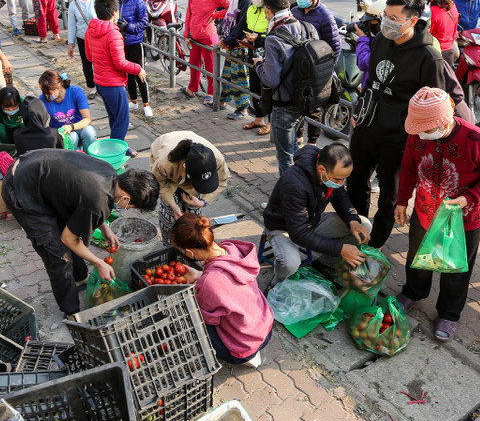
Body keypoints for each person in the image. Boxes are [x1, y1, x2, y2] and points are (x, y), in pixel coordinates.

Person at [395, 87, 480, 341]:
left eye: (428, 129)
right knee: (417, 256)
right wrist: (402, 201)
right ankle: (413, 292)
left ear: (445, 120)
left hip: (463, 219)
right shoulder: (417, 135)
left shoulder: (477, 141)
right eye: (419, 130)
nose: (423, 135)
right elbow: (408, 168)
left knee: (455, 270)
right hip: (425, 212)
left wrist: (469, 198)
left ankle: (449, 313)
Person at [1, 149, 159, 318]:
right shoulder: (96, 200)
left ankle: (80, 278)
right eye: (131, 207)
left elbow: (84, 202)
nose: (126, 209)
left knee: (69, 225)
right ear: (126, 198)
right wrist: (99, 262)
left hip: (34, 168)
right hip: (20, 188)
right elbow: (69, 239)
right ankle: (71, 312)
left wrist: (105, 228)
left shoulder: (110, 174)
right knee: (58, 255)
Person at [345, 0, 444, 248]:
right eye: (386, 15)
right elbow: (372, 83)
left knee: (390, 195)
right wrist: (360, 112)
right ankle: (356, 230)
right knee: (355, 181)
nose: (387, 22)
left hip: (400, 139)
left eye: (394, 18)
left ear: (412, 20)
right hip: (367, 128)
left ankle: (375, 243)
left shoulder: (428, 57)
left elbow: (435, 105)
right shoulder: (380, 40)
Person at [169, 213, 273, 367]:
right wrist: (201, 274)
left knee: (192, 317)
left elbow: (209, 319)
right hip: (264, 328)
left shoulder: (210, 283)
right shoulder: (232, 249)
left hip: (243, 347)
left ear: (189, 253)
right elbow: (226, 284)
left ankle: (245, 358)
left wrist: (200, 287)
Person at [262, 143, 370, 282]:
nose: (341, 182)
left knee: (364, 226)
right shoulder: (294, 184)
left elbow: (340, 196)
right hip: (283, 228)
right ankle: (278, 283)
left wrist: (353, 220)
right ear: (321, 169)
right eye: (338, 179)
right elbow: (298, 234)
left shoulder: (328, 173)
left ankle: (324, 265)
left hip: (310, 221)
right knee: (290, 263)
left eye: (344, 178)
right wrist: (340, 249)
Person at [253, 0, 319, 175]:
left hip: (284, 105)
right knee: (293, 151)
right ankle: (302, 184)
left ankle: (289, 197)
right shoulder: (307, 27)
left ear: (267, 9)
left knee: (285, 157)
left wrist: (258, 65)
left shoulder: (273, 38)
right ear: (288, 5)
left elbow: (271, 79)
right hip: (305, 100)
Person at [84, 0, 145, 146]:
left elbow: (89, 57)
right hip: (113, 84)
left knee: (114, 118)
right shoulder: (113, 33)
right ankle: (115, 153)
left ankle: (121, 148)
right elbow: (120, 63)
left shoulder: (90, 30)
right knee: (122, 120)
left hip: (100, 82)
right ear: (115, 12)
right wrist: (138, 69)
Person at [150, 131, 230, 240]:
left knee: (194, 216)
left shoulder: (217, 159)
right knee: (170, 215)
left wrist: (203, 202)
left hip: (190, 166)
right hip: (169, 155)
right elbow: (161, 184)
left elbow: (223, 180)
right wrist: (174, 206)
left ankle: (191, 241)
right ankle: (170, 244)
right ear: (184, 166)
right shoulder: (165, 163)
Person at [291, 0, 342, 144]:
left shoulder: (325, 15)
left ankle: (312, 142)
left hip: (316, 70)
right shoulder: (295, 12)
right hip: (298, 67)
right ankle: (298, 136)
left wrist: (325, 72)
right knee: (297, 103)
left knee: (314, 108)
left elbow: (335, 46)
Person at [183, 0, 229, 104]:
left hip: (208, 37)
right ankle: (192, 88)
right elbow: (189, 13)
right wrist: (186, 33)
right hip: (194, 36)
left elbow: (230, 6)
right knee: (193, 63)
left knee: (210, 68)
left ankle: (211, 93)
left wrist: (215, 16)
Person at [112, 0, 151, 117]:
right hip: (120, 44)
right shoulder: (113, 1)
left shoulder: (136, 1)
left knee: (139, 74)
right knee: (127, 74)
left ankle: (146, 103)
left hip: (135, 42)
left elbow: (144, 22)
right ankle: (133, 101)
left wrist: (129, 27)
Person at [219, 0, 256, 118]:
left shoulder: (247, 1)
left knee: (240, 79)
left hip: (240, 45)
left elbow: (240, 26)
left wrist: (226, 40)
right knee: (227, 75)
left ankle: (242, 109)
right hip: (232, 44)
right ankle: (222, 101)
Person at [243, 0, 278, 135]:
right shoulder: (251, 9)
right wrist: (246, 38)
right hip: (253, 52)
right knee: (254, 86)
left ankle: (271, 122)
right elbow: (245, 27)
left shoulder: (272, 12)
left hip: (268, 54)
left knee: (268, 89)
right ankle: (258, 118)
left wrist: (257, 38)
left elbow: (275, 38)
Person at [39, 70, 97, 152]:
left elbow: (87, 119)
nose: (48, 96)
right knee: (72, 136)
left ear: (59, 86)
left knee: (89, 131)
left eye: (50, 93)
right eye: (46, 94)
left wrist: (71, 127)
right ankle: (73, 160)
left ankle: (90, 157)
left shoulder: (76, 92)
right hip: (61, 133)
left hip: (79, 128)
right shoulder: (43, 99)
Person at [67, 0, 97, 93]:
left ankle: (102, 85)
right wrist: (70, 43)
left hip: (97, 37)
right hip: (82, 38)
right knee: (86, 63)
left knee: (99, 62)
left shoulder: (95, 0)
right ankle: (91, 87)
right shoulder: (73, 5)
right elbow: (72, 25)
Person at [422, 0, 460, 66]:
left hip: (435, 53)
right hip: (450, 50)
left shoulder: (432, 12)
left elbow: (426, 35)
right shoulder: (452, 7)